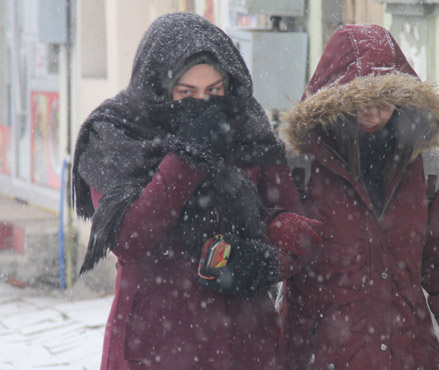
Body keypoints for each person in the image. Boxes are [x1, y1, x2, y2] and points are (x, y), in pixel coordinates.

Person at [72, 12, 321, 370]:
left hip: (244, 341)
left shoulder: (247, 128)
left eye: (213, 91)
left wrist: (265, 262)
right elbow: (130, 237)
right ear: (158, 88)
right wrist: (189, 157)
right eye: (186, 93)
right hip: (155, 345)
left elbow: (294, 226)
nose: (202, 105)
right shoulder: (117, 136)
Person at [280, 24, 439, 369]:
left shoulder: (423, 167)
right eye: (359, 103)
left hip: (410, 358)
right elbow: (267, 267)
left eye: (385, 102)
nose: (373, 114)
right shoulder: (301, 169)